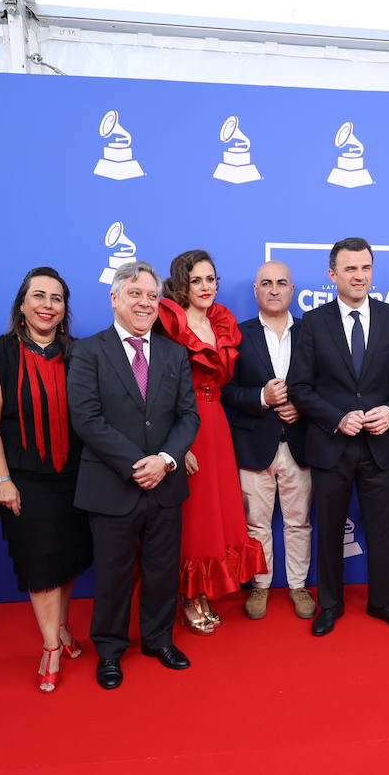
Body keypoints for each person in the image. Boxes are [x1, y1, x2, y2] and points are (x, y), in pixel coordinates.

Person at [67, 261, 200, 690]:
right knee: (113, 574)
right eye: (135, 294)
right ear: (115, 298)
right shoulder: (87, 351)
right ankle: (109, 650)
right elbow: (86, 419)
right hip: (111, 485)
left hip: (166, 481)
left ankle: (159, 639)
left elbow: (188, 417)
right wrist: (136, 464)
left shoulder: (174, 353)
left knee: (163, 571)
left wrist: (164, 459)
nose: (145, 303)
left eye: (151, 296)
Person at [288, 237, 389, 637]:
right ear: (333, 275)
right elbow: (300, 387)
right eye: (350, 269)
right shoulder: (312, 323)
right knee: (329, 529)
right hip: (332, 445)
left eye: (365, 268)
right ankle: (330, 604)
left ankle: (383, 602)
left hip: (380, 446)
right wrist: (337, 418)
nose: (359, 276)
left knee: (383, 529)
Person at [0, 267, 93, 693]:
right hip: (25, 479)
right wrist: (1, 478)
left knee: (66, 559)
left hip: (78, 476)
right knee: (41, 565)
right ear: (22, 305)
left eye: (56, 298)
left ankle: (61, 627)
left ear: (64, 310)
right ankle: (50, 647)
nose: (47, 305)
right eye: (38, 296)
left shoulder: (80, 353)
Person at [157, 250, 266, 633]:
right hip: (185, 425)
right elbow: (159, 387)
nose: (205, 287)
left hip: (217, 421)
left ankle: (203, 591)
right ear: (181, 284)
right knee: (195, 514)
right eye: (197, 280)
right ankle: (189, 596)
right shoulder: (169, 321)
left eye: (210, 279)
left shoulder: (221, 321)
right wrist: (176, 445)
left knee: (218, 510)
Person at [221, 260, 315, 620]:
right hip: (252, 444)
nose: (274, 289)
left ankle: (298, 586)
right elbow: (224, 390)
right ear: (255, 290)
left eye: (281, 283)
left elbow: (325, 387)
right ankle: (260, 586)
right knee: (256, 523)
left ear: (292, 290)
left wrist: (300, 407)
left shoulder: (312, 333)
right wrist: (262, 397)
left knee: (299, 521)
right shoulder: (238, 335)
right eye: (266, 283)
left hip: (300, 442)